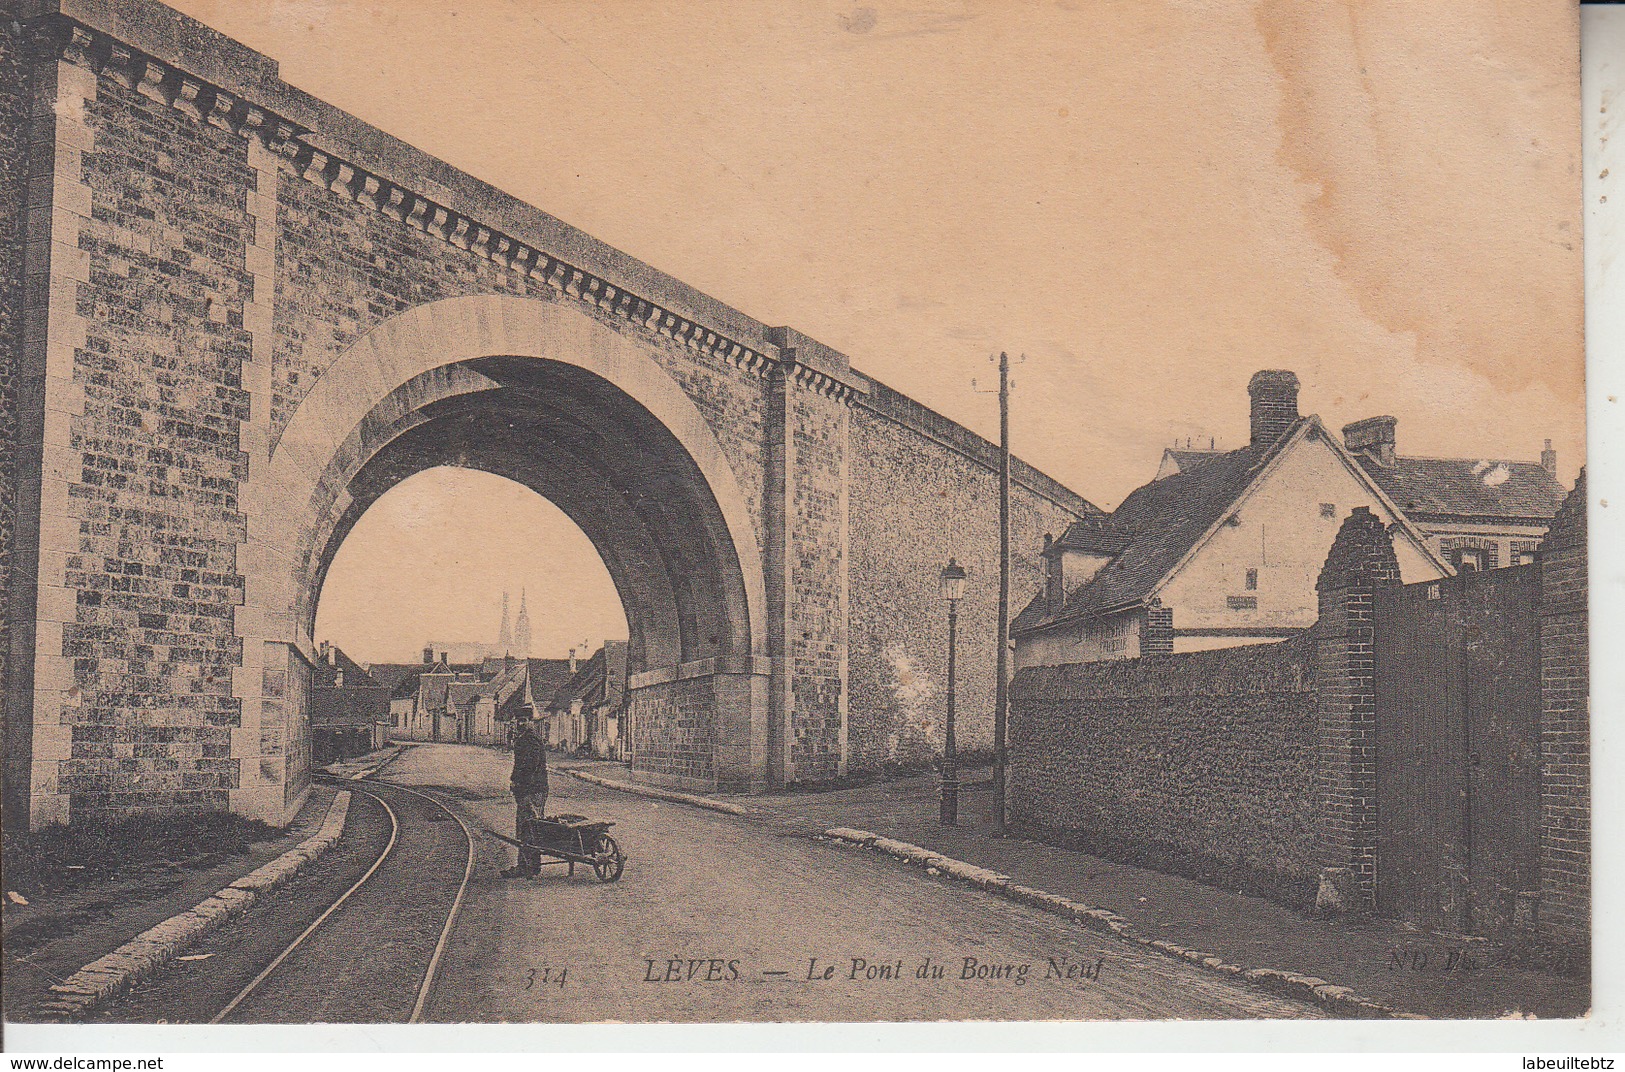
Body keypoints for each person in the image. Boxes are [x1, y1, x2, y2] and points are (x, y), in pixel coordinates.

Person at [501, 714, 549, 878]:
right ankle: (531, 865)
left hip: (531, 790)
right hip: (531, 789)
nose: (521, 723)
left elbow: (530, 765)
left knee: (527, 828)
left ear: (531, 722)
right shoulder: (526, 738)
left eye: (524, 720)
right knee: (530, 827)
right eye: (519, 720)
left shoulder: (530, 740)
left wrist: (517, 781)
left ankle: (527, 867)